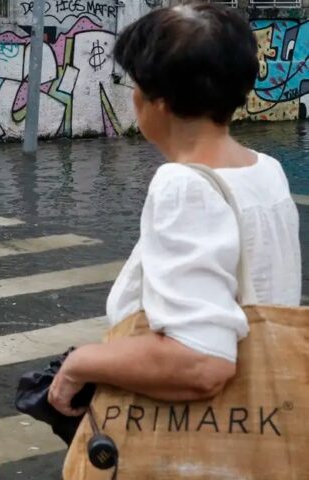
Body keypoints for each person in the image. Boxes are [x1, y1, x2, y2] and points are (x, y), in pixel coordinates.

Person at [47, 4, 301, 418]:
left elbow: (201, 363)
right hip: (266, 411)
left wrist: (81, 362)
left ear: (158, 99)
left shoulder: (184, 185)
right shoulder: (265, 170)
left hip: (203, 435)